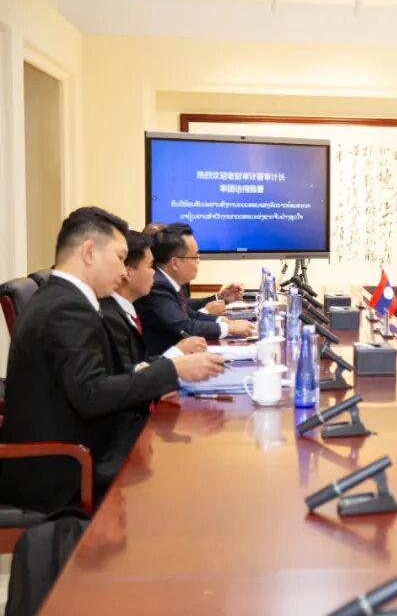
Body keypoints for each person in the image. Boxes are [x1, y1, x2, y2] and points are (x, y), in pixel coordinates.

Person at [0, 207, 225, 513]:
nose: (123, 271)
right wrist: (171, 369)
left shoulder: (65, 299)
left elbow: (96, 380)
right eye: (120, 258)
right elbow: (92, 394)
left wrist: (156, 374)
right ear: (89, 252)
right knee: (185, 483)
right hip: (64, 468)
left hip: (84, 446)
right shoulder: (66, 308)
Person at [135, 223, 253, 356]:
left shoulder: (168, 282)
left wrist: (223, 321)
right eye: (195, 256)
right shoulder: (158, 285)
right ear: (175, 263)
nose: (198, 261)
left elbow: (191, 314)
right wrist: (229, 328)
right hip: (162, 362)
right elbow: (185, 327)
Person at [101, 231, 208, 373]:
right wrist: (177, 353)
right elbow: (130, 374)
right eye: (150, 266)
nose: (154, 273)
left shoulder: (124, 309)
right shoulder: (109, 317)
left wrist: (178, 353)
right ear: (128, 272)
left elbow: (140, 365)